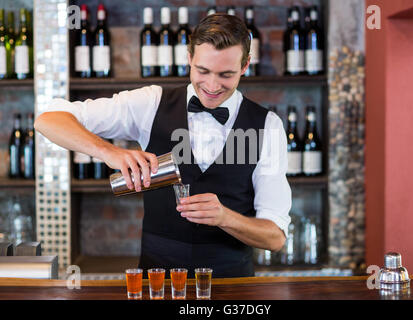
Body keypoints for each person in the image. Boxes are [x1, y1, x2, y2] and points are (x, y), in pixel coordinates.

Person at [35, 13, 291, 278]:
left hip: (233, 286)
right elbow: (48, 120)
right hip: (157, 281)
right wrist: (108, 152)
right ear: (189, 57)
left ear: (245, 65)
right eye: (202, 71)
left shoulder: (268, 127)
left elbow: (275, 238)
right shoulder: (151, 102)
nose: (212, 86)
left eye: (226, 74)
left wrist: (226, 218)